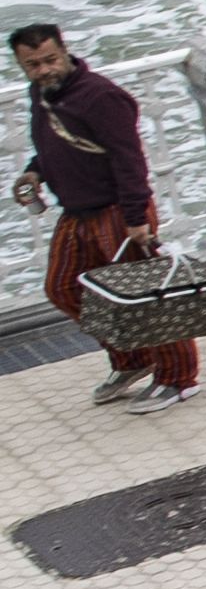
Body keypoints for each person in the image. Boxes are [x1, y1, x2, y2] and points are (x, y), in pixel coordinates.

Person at [17, 23, 195, 413]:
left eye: (50, 60)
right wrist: (35, 171)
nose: (44, 70)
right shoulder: (41, 93)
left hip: (119, 212)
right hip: (76, 214)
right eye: (33, 64)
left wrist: (136, 219)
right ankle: (133, 359)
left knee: (147, 300)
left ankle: (178, 379)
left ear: (65, 52)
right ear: (22, 66)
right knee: (63, 288)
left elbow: (129, 159)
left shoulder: (102, 97)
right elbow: (51, 144)